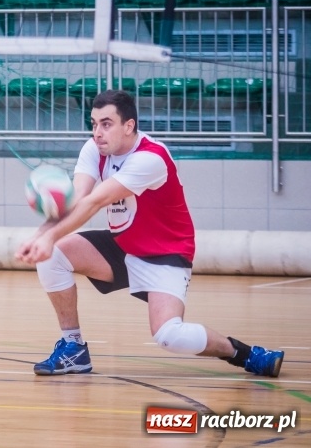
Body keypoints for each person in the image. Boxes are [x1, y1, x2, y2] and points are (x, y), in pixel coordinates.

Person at [16, 90, 284, 377]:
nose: (97, 132)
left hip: (165, 254)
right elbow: (76, 199)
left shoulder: (150, 159)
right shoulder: (94, 149)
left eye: (106, 124)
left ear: (128, 125)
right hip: (123, 246)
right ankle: (74, 348)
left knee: (170, 335)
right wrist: (40, 237)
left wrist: (47, 236)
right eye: (93, 124)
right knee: (52, 255)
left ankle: (245, 355)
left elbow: (93, 202)